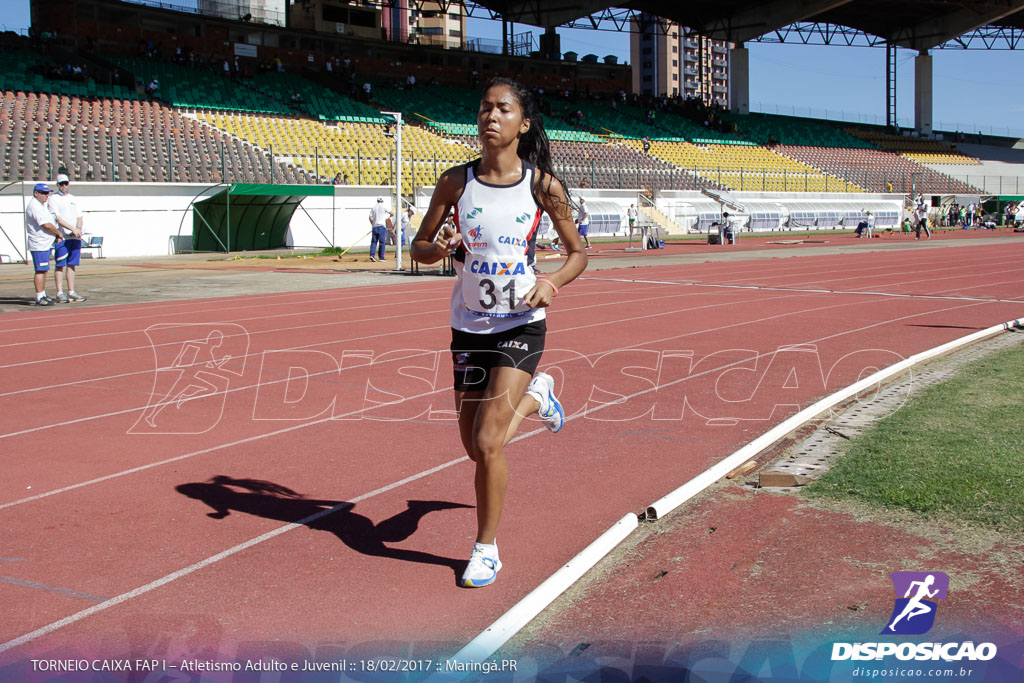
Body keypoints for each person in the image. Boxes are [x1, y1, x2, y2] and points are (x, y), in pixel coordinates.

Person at [409, 77, 587, 588]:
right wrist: (438, 250)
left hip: (520, 325)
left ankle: (485, 548)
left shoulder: (541, 186)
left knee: (488, 443)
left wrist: (552, 281)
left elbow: (578, 253)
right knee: (474, 445)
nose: (490, 115)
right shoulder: (455, 182)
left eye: (502, 109)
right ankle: (539, 398)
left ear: (522, 124)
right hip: (468, 326)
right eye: (484, 107)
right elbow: (419, 247)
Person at [48, 174, 88, 303]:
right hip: (63, 237)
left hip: (74, 238)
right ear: (58, 185)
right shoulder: (53, 199)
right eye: (61, 184)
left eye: (66, 183)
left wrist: (79, 229)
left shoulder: (73, 199)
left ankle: (71, 291)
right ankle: (59, 293)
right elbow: (58, 219)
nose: (64, 186)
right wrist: (73, 229)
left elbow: (79, 217)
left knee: (72, 265)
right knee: (60, 265)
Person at [25, 183, 64, 306]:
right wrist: (58, 233)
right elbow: (46, 224)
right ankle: (39, 296)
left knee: (44, 270)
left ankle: (42, 294)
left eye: (47, 193)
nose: (46, 195)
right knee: (40, 270)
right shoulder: (34, 206)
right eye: (43, 193)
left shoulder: (42, 205)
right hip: (39, 244)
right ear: (36, 193)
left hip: (45, 244)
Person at [368, 196, 392, 262]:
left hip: (375, 226)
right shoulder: (384, 206)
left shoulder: (373, 207)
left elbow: (370, 217)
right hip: (381, 226)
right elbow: (391, 213)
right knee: (382, 242)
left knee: (374, 242)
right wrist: (389, 217)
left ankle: (372, 255)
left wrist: (372, 224)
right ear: (382, 201)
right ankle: (381, 257)